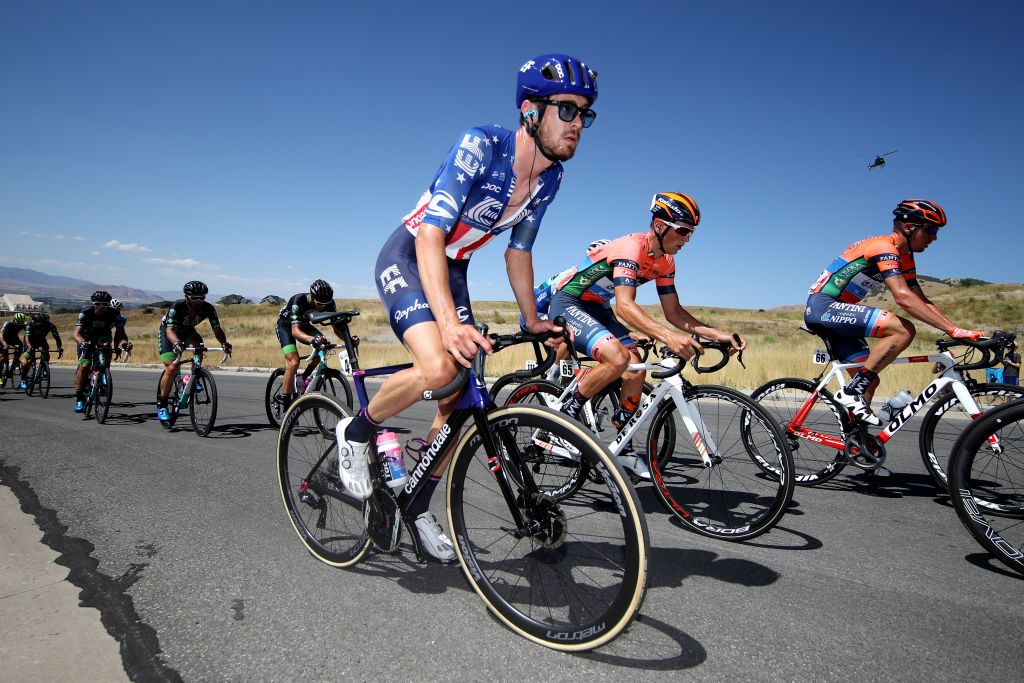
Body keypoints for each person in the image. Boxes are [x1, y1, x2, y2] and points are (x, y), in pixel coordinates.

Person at [336, 53, 598, 562]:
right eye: (566, 110)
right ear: (530, 111)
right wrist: (450, 328)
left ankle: (416, 503)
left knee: (461, 399)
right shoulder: (482, 144)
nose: (577, 126)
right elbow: (433, 233)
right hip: (412, 254)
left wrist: (533, 320)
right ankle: (357, 428)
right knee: (438, 367)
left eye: (584, 115)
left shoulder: (550, 180)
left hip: (453, 269)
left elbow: (518, 251)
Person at [547, 192, 744, 479]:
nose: (687, 239)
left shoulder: (665, 262)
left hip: (598, 309)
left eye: (691, 233)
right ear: (660, 226)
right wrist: (669, 338)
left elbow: (674, 312)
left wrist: (719, 335)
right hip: (570, 303)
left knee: (634, 367)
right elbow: (625, 306)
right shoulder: (631, 248)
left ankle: (622, 447)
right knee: (617, 358)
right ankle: (565, 415)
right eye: (683, 231)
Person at [805, 199, 984, 465]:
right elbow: (902, 297)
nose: (934, 238)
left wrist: (957, 330)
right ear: (909, 227)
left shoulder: (904, 256)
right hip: (824, 307)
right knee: (902, 330)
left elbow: (919, 299)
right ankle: (853, 392)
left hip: (837, 311)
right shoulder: (883, 247)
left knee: (870, 381)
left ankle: (858, 446)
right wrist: (954, 329)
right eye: (931, 230)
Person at [156, 281, 232, 422]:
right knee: (171, 368)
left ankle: (193, 376)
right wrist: (177, 343)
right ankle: (162, 404)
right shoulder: (177, 306)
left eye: (202, 298)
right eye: (195, 298)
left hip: (188, 331)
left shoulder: (208, 308)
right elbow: (170, 330)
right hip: (169, 333)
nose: (199, 301)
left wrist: (224, 343)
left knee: (199, 345)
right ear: (186, 296)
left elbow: (216, 328)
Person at [276, 279, 347, 409]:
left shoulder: (329, 303)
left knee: (323, 345)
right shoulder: (299, 300)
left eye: (326, 304)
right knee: (293, 362)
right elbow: (295, 331)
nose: (323, 307)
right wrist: (312, 340)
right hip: (286, 327)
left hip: (304, 325)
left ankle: (303, 378)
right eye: (319, 303)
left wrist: (349, 340)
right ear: (312, 297)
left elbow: (336, 329)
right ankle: (286, 407)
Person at [72, 291, 131, 412]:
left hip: (103, 337)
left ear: (108, 304)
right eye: (98, 303)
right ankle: (79, 398)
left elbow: (121, 334)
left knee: (107, 350)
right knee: (84, 365)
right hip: (86, 339)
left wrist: (124, 344)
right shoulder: (86, 313)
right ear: (94, 303)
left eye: (104, 304)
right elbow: (76, 334)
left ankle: (103, 376)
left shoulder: (115, 313)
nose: (101, 306)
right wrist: (82, 342)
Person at [20, 312, 64, 385]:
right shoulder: (29, 324)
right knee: (29, 360)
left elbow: (57, 338)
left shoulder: (51, 325)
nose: (42, 325)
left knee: (46, 353)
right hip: (29, 341)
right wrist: (30, 347)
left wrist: (59, 347)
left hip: (41, 340)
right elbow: (27, 338)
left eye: (45, 323)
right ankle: (23, 378)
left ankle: (44, 368)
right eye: (41, 324)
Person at [1, 312, 28, 387]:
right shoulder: (8, 323)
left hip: (14, 338)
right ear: (15, 320)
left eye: (22, 322)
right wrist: (5, 344)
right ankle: (2, 373)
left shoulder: (23, 324)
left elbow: (28, 333)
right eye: (19, 322)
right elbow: (1, 334)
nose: (21, 323)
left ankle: (16, 361)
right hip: (4, 339)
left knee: (21, 347)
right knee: (3, 357)